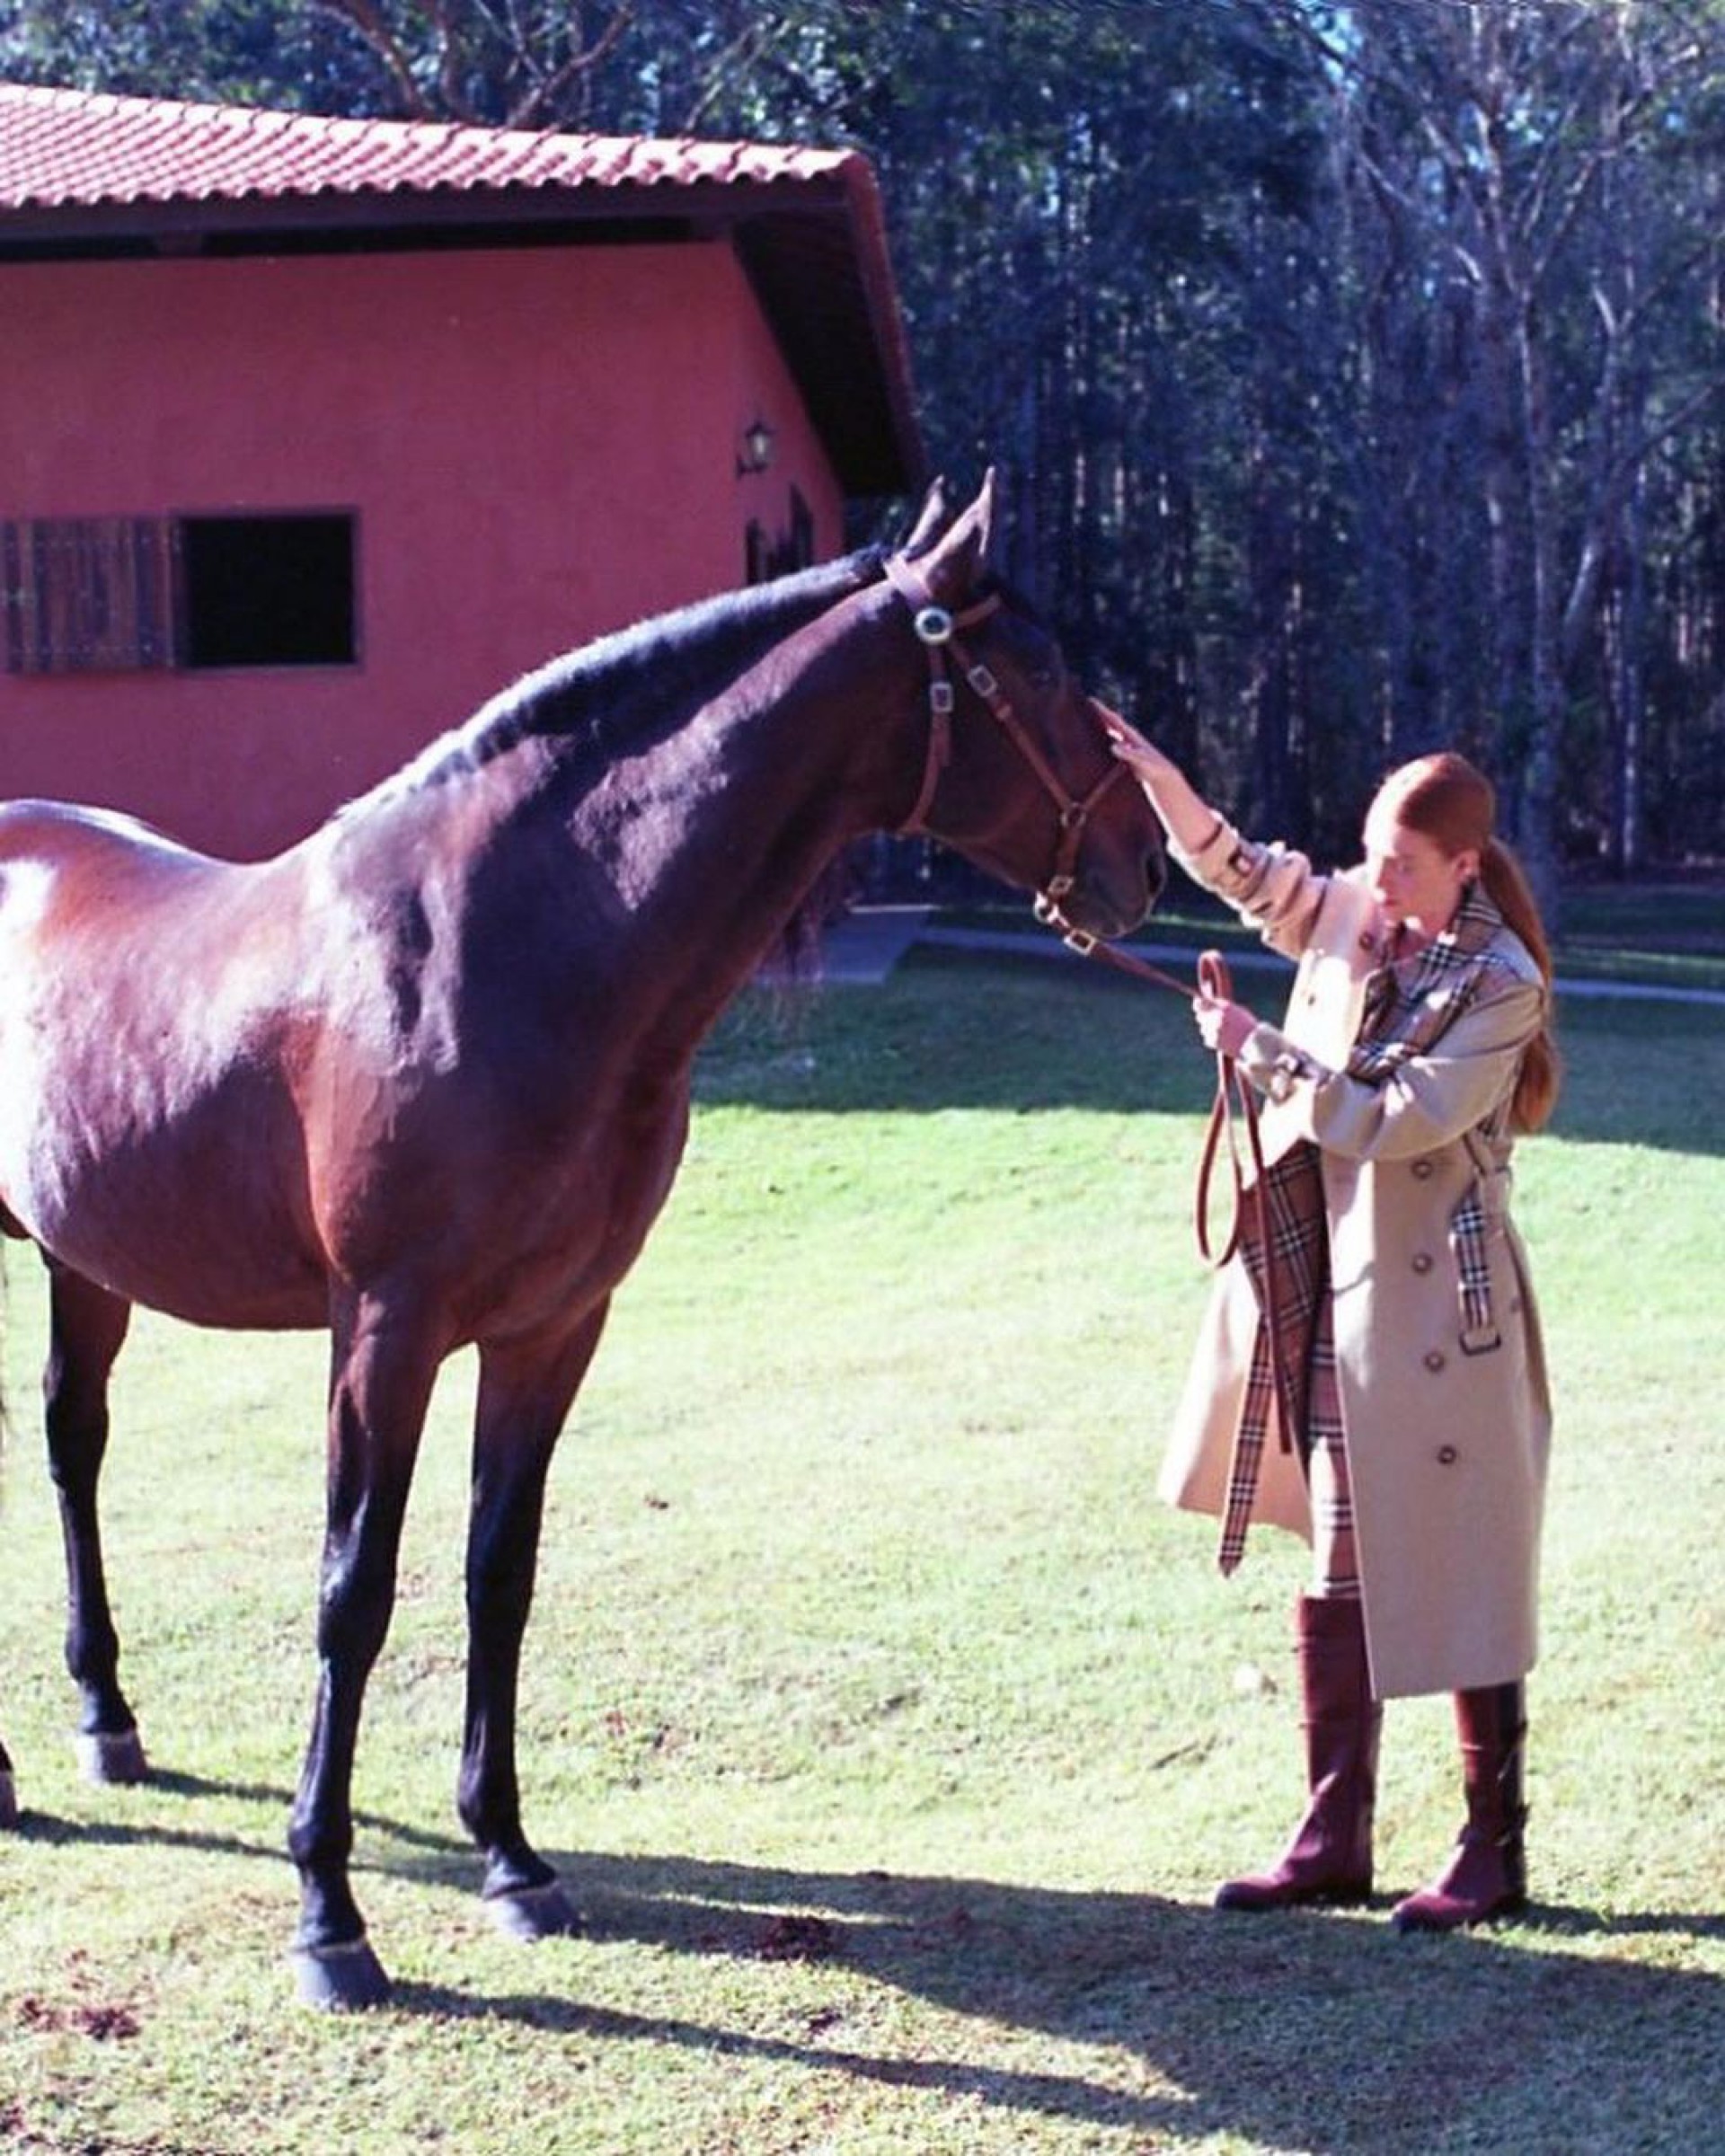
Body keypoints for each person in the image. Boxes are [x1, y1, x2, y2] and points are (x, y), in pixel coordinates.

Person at [1106, 719, 1559, 1931]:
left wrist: (1262, 1056)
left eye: (1402, 865)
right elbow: (1258, 876)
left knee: (1466, 1563)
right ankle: (1332, 1837)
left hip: (1448, 1316)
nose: (1377, 883)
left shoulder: (1504, 983)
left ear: (1464, 863)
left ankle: (1491, 1851)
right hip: (1342, 1296)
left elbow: (1399, 1119)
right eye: (1371, 858)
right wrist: (1169, 790)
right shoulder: (1362, 913)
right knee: (1339, 1560)